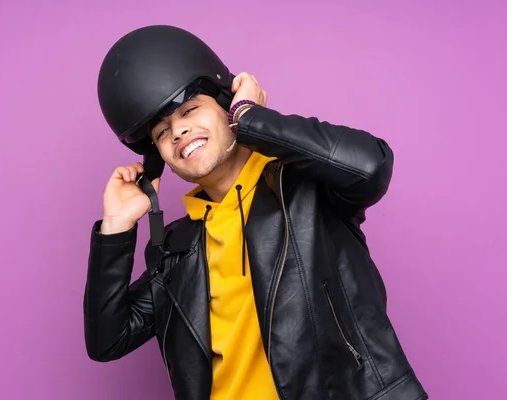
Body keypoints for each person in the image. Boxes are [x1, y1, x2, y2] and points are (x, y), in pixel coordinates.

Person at [83, 25, 428, 400]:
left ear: (227, 105)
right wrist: (116, 227)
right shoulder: (177, 247)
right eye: (163, 132)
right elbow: (108, 340)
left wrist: (252, 120)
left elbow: (370, 166)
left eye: (190, 110)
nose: (179, 132)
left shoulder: (305, 188)